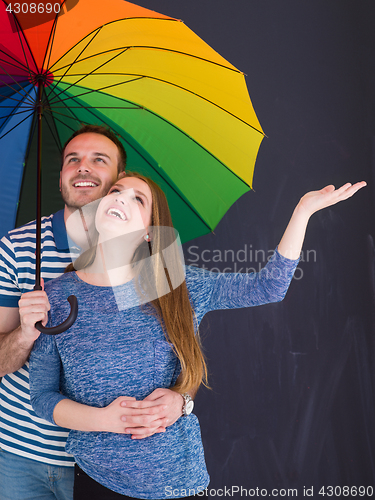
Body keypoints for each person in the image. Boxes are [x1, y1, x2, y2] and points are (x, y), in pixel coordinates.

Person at [28, 172, 366, 499]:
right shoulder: (55, 297)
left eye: (137, 198)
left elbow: (269, 286)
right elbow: (42, 397)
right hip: (99, 481)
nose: (120, 198)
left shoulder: (177, 283)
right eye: (115, 191)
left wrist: (302, 212)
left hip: (180, 481)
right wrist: (105, 419)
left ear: (149, 231)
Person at [0, 126, 188, 500]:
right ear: (60, 175)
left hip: (109, 466)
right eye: (73, 160)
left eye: (98, 160)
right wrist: (24, 333)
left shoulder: (147, 260)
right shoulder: (17, 248)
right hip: (22, 458)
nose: (82, 168)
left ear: (120, 180)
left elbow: (177, 353)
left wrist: (182, 399)